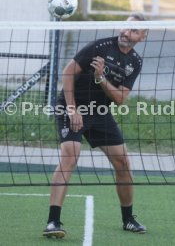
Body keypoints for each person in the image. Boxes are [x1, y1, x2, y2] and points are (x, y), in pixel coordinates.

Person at [43, 13, 147, 238]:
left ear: (142, 37)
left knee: (123, 162)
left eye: (134, 31)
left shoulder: (135, 62)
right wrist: (71, 108)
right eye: (126, 27)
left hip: (100, 112)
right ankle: (53, 222)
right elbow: (68, 72)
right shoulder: (99, 47)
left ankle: (128, 219)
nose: (127, 33)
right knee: (70, 155)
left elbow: (119, 98)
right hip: (73, 105)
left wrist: (101, 78)